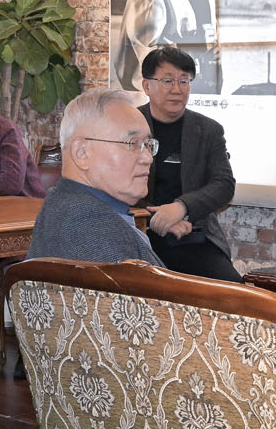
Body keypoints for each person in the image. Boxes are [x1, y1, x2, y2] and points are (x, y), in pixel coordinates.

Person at [136, 46, 240, 283]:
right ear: (147, 86)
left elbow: (223, 184)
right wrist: (158, 219)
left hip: (193, 235)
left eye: (184, 81)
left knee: (233, 291)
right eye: (168, 81)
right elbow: (113, 185)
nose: (177, 89)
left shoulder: (208, 130)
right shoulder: (128, 125)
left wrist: (181, 208)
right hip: (140, 235)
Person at [26, 88, 159, 264]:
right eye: (133, 143)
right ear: (81, 153)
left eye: (148, 144)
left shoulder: (67, 203)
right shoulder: (86, 224)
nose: (148, 158)